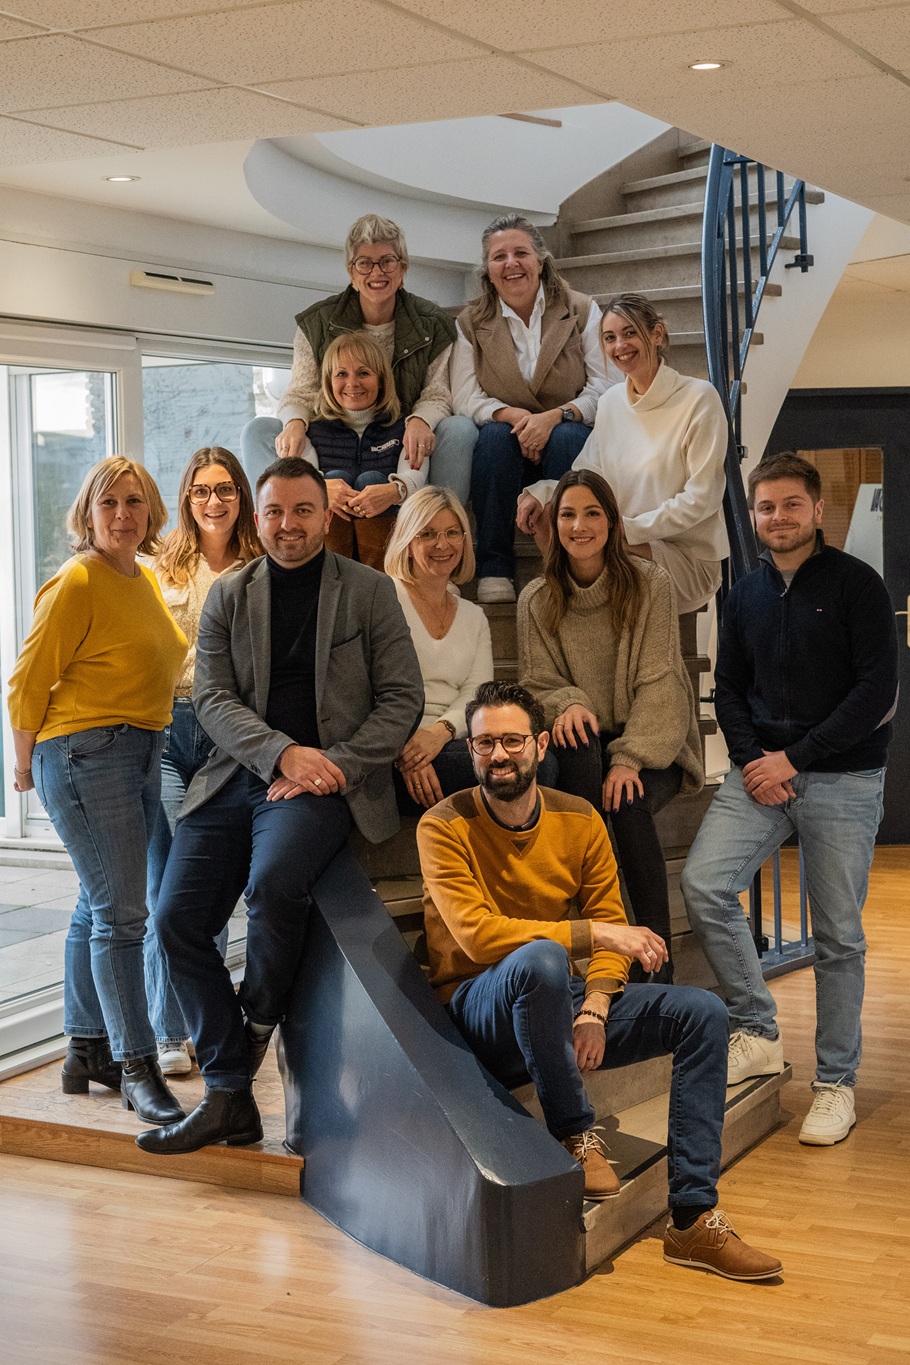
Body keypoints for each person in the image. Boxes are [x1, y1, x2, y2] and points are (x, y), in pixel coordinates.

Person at [417, 680, 781, 1280]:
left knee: (703, 1013)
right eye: (485, 743)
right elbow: (479, 937)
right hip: (479, 1010)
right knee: (541, 959)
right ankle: (576, 1133)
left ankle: (692, 1219)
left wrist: (595, 1006)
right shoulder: (443, 824)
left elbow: (610, 926)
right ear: (472, 750)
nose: (499, 755)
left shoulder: (580, 818)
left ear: (540, 745)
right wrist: (596, 938)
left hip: (554, 1001)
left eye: (512, 741)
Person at [135, 457, 424, 1155]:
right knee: (175, 921)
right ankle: (231, 1093)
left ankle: (253, 1027)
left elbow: (402, 699)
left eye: (302, 511)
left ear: (324, 516)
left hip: (324, 784)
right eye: (274, 512)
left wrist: (332, 764)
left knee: (271, 886)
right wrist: (281, 754)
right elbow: (212, 698)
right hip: (236, 775)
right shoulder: (230, 594)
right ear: (256, 517)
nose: (287, 525)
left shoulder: (370, 590)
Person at [682, 452, 898, 1146]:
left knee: (838, 936)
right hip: (760, 778)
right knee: (705, 884)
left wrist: (794, 758)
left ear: (817, 509)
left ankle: (836, 1084)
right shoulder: (742, 594)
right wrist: (754, 761)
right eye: (766, 506)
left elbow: (876, 693)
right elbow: (729, 689)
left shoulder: (858, 585)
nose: (778, 517)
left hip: (843, 777)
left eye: (791, 504)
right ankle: (757, 1028)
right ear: (754, 515)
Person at [7, 456, 187, 1126]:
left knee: (97, 901)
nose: (122, 514)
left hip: (138, 748)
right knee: (121, 915)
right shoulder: (78, 580)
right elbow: (26, 680)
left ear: (151, 512)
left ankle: (85, 1049)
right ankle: (137, 1065)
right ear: (87, 513)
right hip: (85, 753)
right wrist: (22, 764)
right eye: (108, 502)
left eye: (134, 501)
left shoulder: (141, 577)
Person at [518, 470, 703, 977]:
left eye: (592, 513)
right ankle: (603, 955)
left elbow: (661, 681)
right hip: (586, 742)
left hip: (653, 741)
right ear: (554, 524)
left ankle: (657, 968)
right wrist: (570, 702)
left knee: (627, 802)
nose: (580, 526)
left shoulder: (650, 584)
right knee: (580, 764)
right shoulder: (536, 598)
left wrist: (628, 759)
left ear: (613, 522)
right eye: (567, 515)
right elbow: (537, 683)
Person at [144, 446, 262, 1078]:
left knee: (202, 883)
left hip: (225, 737)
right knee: (165, 883)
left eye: (224, 489)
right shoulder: (161, 562)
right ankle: (168, 1030)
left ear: (240, 495)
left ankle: (200, 1024)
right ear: (187, 499)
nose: (213, 501)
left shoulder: (260, 566)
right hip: (165, 730)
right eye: (200, 491)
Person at [241, 213, 476, 504]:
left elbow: (437, 392)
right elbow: (301, 392)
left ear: (403, 269)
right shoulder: (316, 323)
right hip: (332, 439)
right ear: (351, 273)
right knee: (259, 430)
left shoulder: (433, 323)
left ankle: (444, 519)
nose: (376, 272)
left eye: (387, 261)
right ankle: (276, 517)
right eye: (364, 263)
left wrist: (420, 421)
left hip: (399, 439)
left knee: (460, 428)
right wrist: (294, 423)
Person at [518, 292, 728, 615]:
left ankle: (577, 615)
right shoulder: (611, 402)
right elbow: (587, 478)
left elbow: (702, 499)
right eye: (609, 338)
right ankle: (574, 621)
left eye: (630, 333)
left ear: (657, 334)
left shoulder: (699, 398)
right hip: (621, 541)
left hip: (686, 556)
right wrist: (542, 492)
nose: (620, 346)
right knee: (550, 515)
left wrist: (626, 530)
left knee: (595, 549)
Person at [452, 214, 610, 604]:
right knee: (492, 438)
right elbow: (465, 396)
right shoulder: (470, 322)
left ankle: (565, 565)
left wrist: (555, 417)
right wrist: (517, 418)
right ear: (488, 271)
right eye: (499, 256)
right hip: (504, 452)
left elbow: (606, 387)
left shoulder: (581, 309)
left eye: (521, 253)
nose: (511, 264)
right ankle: (494, 568)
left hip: (567, 444)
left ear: (540, 261)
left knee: (568, 436)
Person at [305, 331, 426, 570]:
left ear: (380, 380)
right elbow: (300, 479)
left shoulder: (403, 427)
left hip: (390, 538)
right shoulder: (313, 430)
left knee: (371, 480)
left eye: (363, 373)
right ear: (329, 381)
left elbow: (416, 475)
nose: (352, 383)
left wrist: (393, 491)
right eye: (341, 374)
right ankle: (332, 576)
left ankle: (382, 578)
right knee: (331, 480)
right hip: (330, 541)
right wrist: (322, 490)